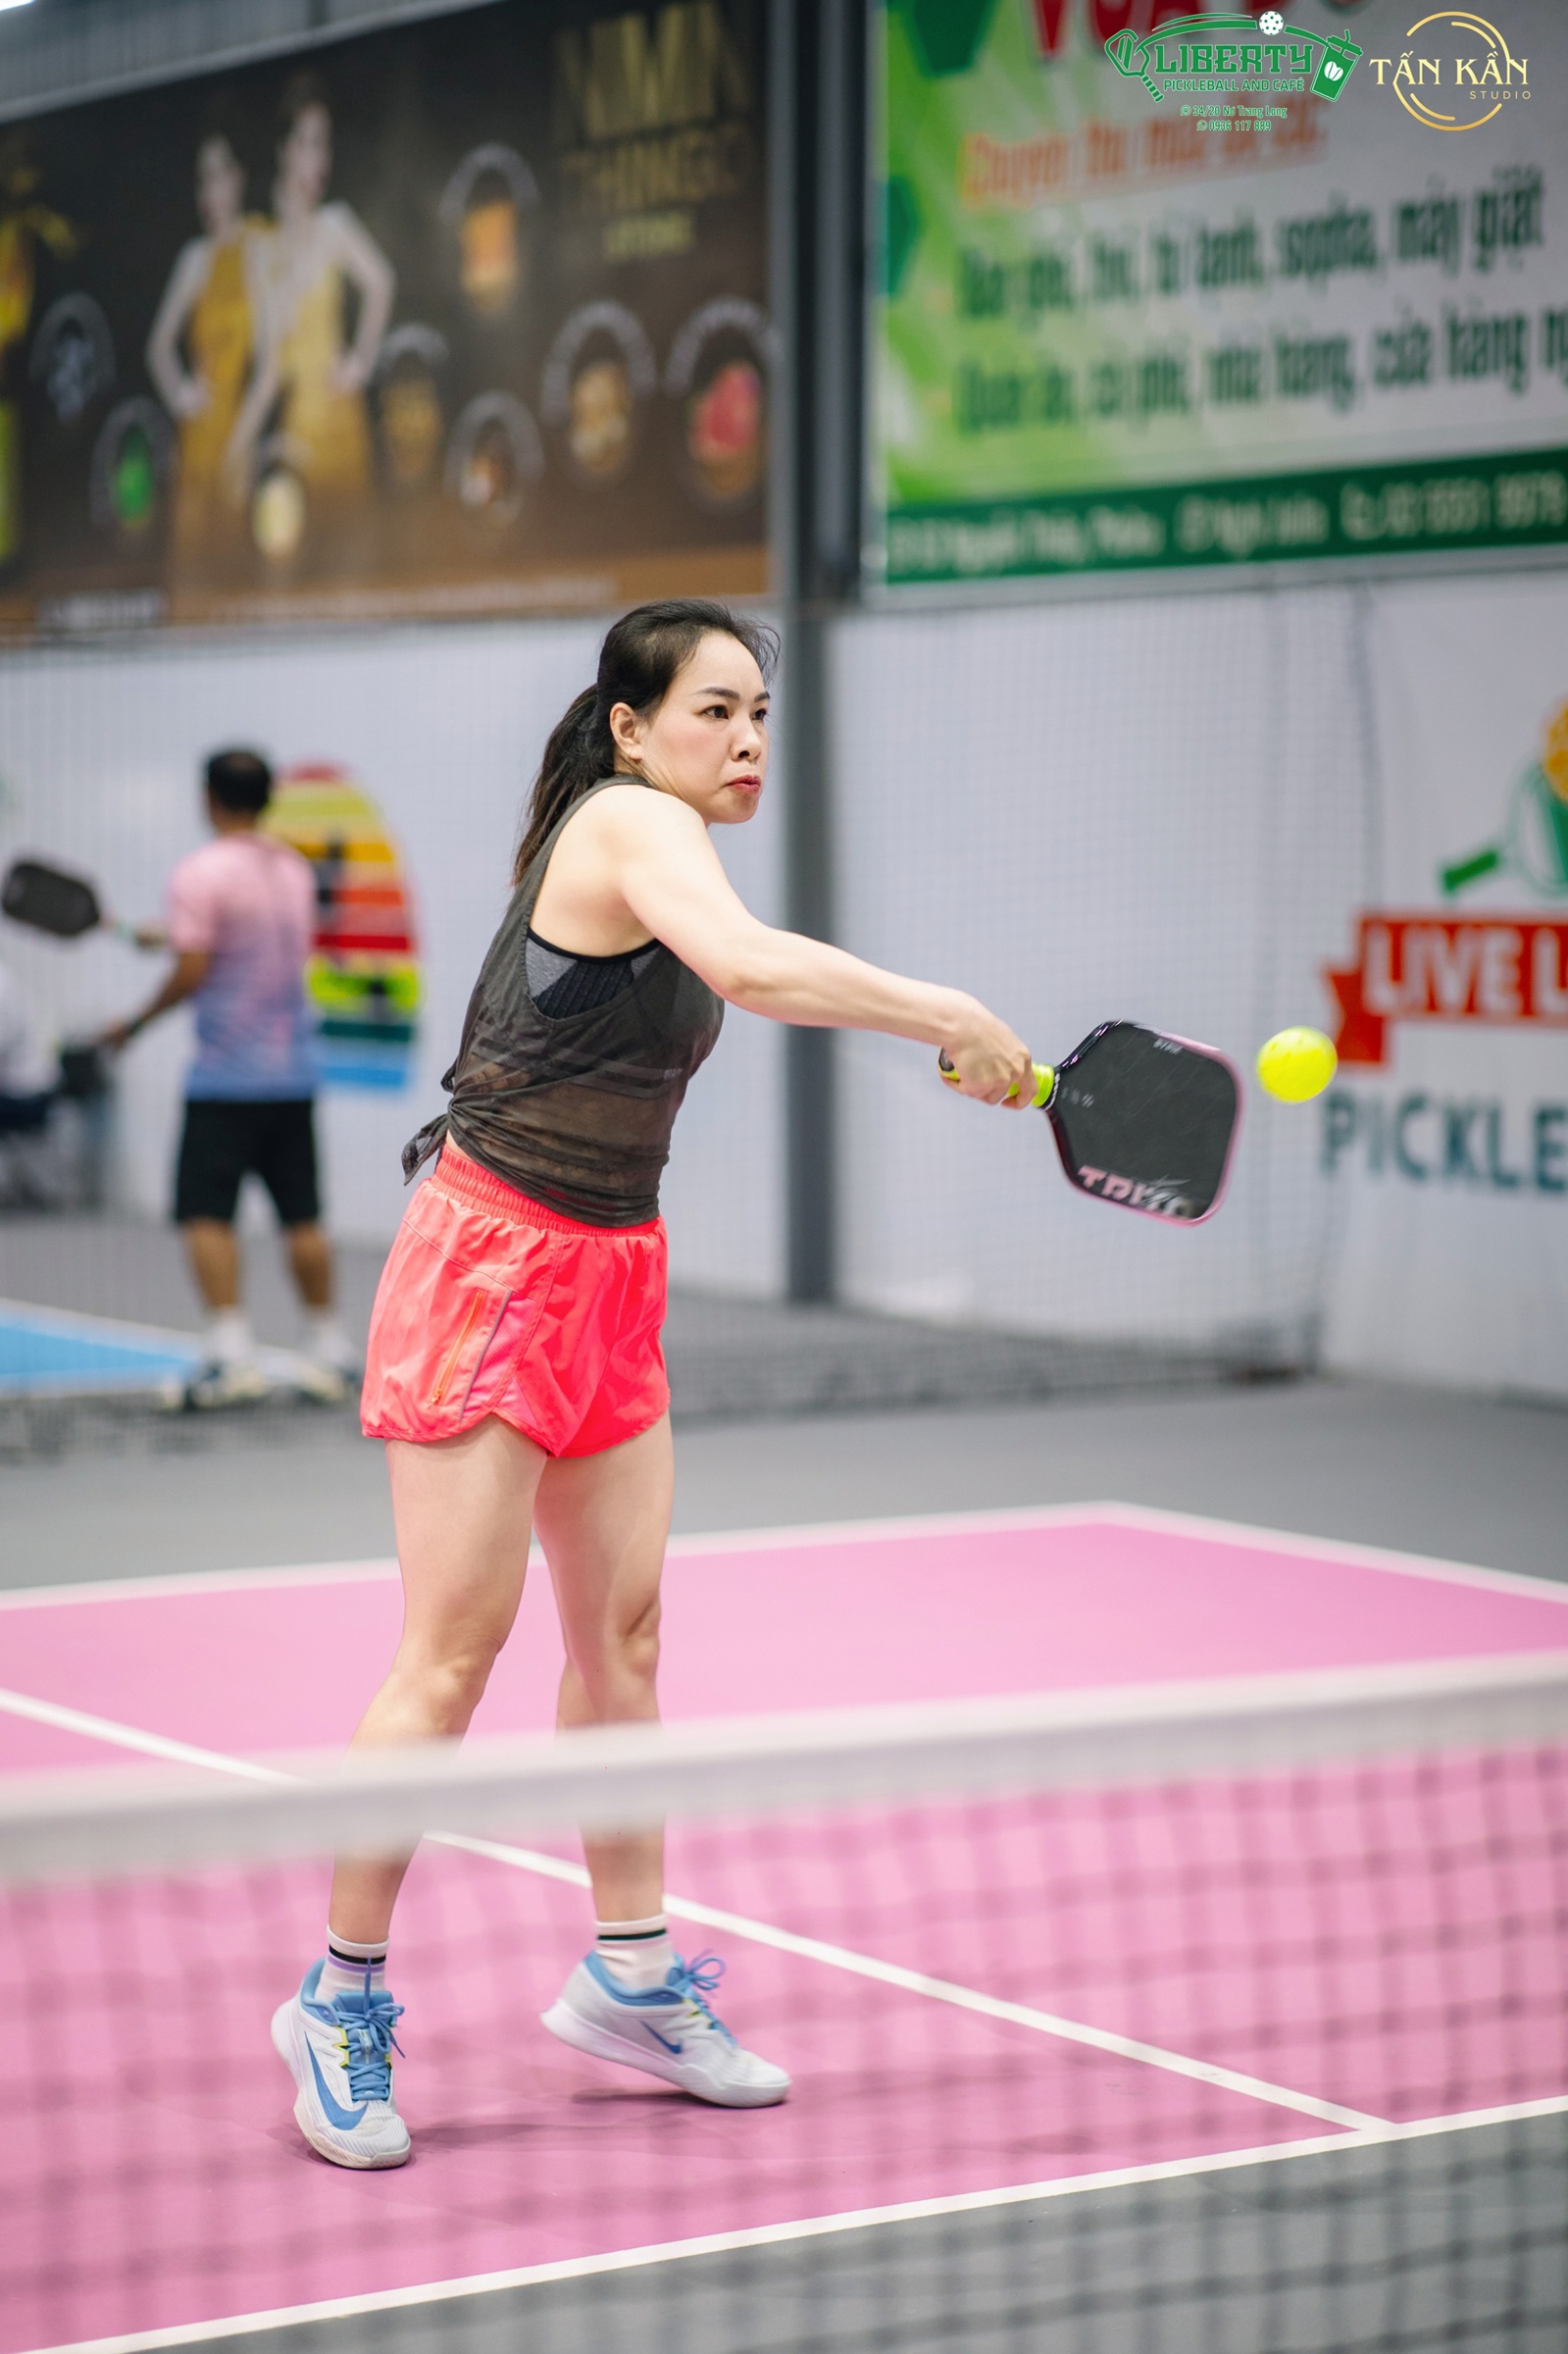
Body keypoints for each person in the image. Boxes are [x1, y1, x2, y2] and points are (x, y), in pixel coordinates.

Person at [270, 601, 1034, 2170]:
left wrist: (936, 1034)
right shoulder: (628, 822)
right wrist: (946, 1012)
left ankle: (627, 1976)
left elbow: (747, 965)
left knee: (621, 1640)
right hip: (491, 1264)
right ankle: (335, 1998)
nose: (745, 742)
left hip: (612, 1272)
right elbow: (751, 969)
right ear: (628, 727)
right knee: (451, 1657)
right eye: (714, 711)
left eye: (759, 715)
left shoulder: (666, 839)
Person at [103, 747, 357, 1406]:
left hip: (224, 1079)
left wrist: (133, 1024)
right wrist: (170, 935)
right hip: (292, 1076)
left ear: (209, 798)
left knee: (205, 1213)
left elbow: (195, 967)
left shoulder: (200, 873)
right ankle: (329, 1350)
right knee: (303, 1215)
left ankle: (229, 1354)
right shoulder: (294, 871)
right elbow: (241, 939)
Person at [226, 75, 394, 519]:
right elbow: (267, 375)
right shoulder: (261, 251)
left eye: (324, 145)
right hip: (296, 445)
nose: (318, 159)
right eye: (307, 144)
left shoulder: (336, 225)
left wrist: (360, 361)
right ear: (284, 151)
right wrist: (235, 453)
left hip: (345, 431)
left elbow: (381, 282)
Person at [145, 131, 266, 572]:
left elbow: (272, 359)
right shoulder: (194, 257)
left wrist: (243, 443)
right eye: (203, 179)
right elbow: (158, 347)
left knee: (241, 568)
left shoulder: (260, 244)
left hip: (247, 437)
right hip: (197, 442)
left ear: (238, 177)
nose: (210, 191)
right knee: (192, 562)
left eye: (218, 175)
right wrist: (181, 394)